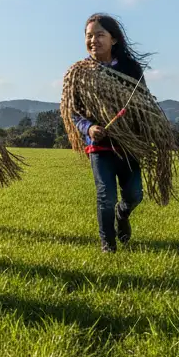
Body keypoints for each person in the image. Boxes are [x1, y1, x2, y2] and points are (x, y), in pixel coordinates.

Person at [67, 14, 150, 252]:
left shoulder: (130, 69)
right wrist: (89, 128)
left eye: (100, 35)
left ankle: (122, 215)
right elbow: (73, 111)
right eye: (89, 35)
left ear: (113, 39)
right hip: (99, 146)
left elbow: (143, 104)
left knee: (134, 195)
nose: (94, 40)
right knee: (105, 197)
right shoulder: (79, 73)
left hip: (128, 145)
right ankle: (108, 244)